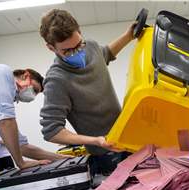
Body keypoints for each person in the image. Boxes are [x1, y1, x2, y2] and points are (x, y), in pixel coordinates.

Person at [39, 9, 135, 175]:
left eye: (78, 45)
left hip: (128, 138)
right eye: (67, 51)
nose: (76, 52)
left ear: (80, 32)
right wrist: (96, 141)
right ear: (50, 48)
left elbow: (105, 54)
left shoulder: (90, 46)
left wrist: (128, 36)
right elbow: (52, 131)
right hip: (105, 155)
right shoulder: (56, 80)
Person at [0, 65, 64, 170]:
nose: (32, 96)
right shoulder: (2, 72)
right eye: (34, 90)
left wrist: (64, 158)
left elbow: (23, 147)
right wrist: (21, 163)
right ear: (25, 75)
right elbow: (6, 121)